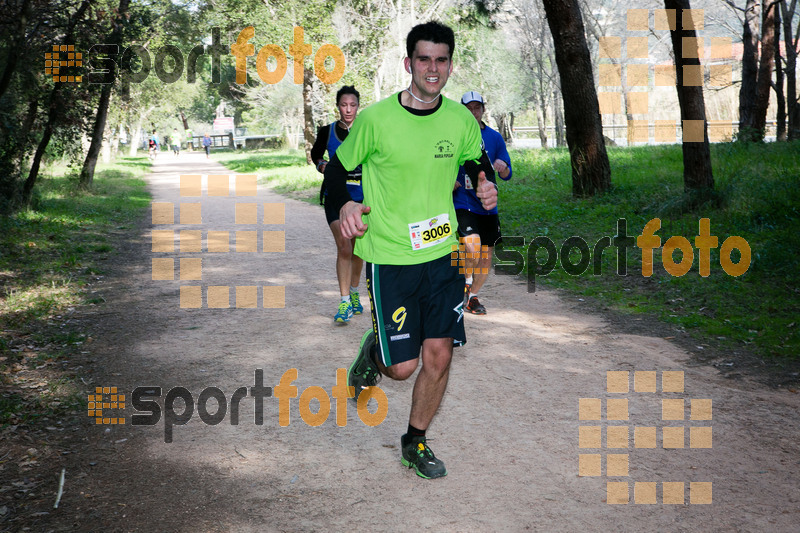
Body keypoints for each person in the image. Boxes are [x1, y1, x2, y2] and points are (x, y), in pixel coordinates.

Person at [324, 21, 498, 479]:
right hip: (393, 258)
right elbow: (335, 173)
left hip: (441, 255)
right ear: (409, 64)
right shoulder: (376, 119)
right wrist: (344, 203)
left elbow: (476, 160)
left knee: (439, 354)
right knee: (402, 368)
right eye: (424, 59)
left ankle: (414, 441)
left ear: (450, 65)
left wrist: (484, 184)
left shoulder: (461, 119)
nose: (433, 68)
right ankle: (375, 356)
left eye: (441, 59)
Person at [454, 91, 512, 315]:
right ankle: (466, 282)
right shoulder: (454, 136)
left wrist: (502, 166)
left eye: (477, 107)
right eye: (468, 108)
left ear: (483, 110)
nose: (473, 112)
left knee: (486, 257)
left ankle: (473, 297)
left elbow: (507, 173)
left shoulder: (495, 138)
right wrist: (451, 182)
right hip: (463, 202)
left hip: (487, 206)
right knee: (472, 246)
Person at [311, 86, 365, 323]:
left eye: (352, 105)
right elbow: (315, 154)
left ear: (358, 106)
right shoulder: (327, 130)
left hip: (362, 196)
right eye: (344, 105)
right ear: (338, 106)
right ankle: (344, 303)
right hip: (335, 195)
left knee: (358, 249)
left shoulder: (366, 130)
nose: (348, 109)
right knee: (344, 247)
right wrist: (323, 166)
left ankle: (354, 292)